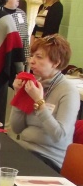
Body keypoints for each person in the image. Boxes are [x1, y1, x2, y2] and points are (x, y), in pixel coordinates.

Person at [11, 35, 79, 171]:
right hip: (24, 149)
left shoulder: (68, 92)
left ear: (56, 63)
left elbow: (59, 136)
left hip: (48, 158)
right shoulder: (35, 85)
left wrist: (39, 103)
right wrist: (19, 95)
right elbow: (16, 128)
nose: (31, 61)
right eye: (32, 56)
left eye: (39, 57)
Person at [4, 0, 30, 66]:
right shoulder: (0, 13)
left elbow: (25, 37)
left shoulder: (21, 13)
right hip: (5, 56)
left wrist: (27, 57)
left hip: (19, 56)